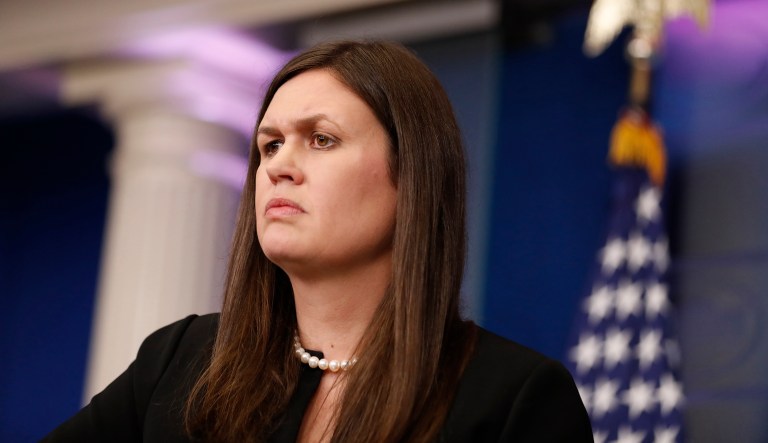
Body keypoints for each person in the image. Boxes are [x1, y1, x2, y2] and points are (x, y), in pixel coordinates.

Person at [43, 40, 592, 442]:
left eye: (322, 139)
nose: (280, 166)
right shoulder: (179, 361)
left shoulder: (514, 397)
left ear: (412, 177)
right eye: (271, 144)